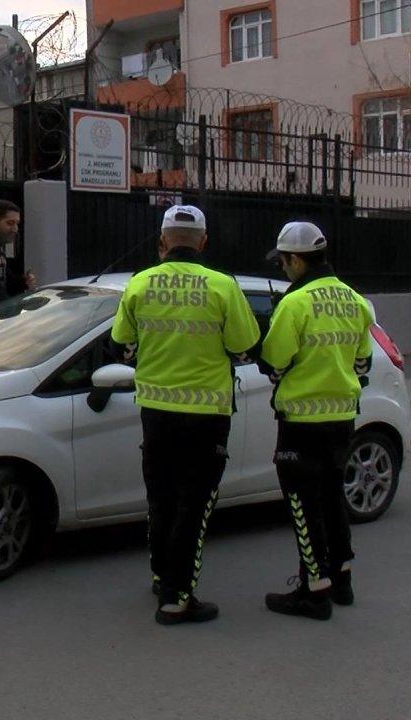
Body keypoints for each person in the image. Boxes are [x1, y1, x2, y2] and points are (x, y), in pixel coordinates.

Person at [110, 204, 260, 626]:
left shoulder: (139, 285)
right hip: (207, 413)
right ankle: (177, 598)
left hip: (155, 412)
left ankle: (162, 577)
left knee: (160, 497)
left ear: (162, 242)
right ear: (204, 242)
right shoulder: (222, 287)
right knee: (194, 503)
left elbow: (120, 342)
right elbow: (245, 345)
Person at [258, 222, 375, 621]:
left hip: (301, 422)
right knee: (331, 498)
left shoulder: (295, 303)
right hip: (343, 419)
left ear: (296, 259)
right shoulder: (356, 301)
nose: (283, 270)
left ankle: (314, 590)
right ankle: (342, 580)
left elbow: (272, 361)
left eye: (284, 262)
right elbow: (363, 362)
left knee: (302, 505)